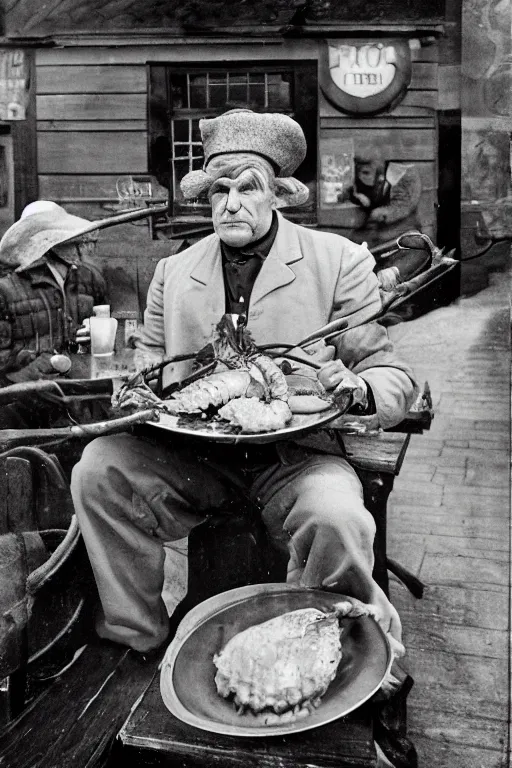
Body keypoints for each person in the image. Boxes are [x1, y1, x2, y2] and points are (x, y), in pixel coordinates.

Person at [71, 109, 417, 654]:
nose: (229, 203)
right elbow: (152, 362)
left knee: (339, 516)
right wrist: (135, 386)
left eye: (247, 188)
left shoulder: (338, 261)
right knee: (99, 469)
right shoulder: (174, 271)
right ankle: (135, 636)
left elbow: (391, 374)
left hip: (295, 455)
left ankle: (345, 648)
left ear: (278, 194)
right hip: (197, 457)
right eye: (217, 190)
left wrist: (359, 386)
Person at [0, 200, 106, 426]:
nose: (79, 243)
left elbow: (104, 329)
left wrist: (90, 335)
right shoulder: (7, 288)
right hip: (22, 404)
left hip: (77, 394)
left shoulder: (89, 278)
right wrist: (44, 361)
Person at [350, 150, 422, 247]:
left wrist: (380, 213)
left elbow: (403, 206)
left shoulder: (406, 172)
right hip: (384, 233)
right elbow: (379, 196)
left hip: (402, 236)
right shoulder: (384, 171)